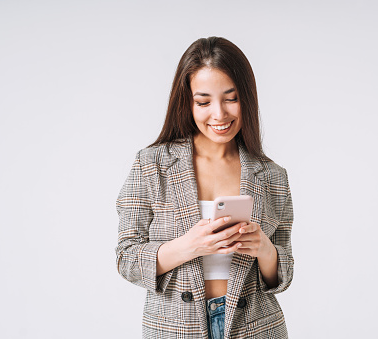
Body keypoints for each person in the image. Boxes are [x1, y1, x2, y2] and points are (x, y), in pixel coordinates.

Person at [115, 36, 294, 339]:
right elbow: (126, 258)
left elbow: (284, 271)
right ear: (188, 102)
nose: (219, 114)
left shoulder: (272, 175)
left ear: (247, 98)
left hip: (257, 327)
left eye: (231, 98)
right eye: (204, 101)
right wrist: (187, 246)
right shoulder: (152, 164)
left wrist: (264, 248)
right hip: (174, 328)